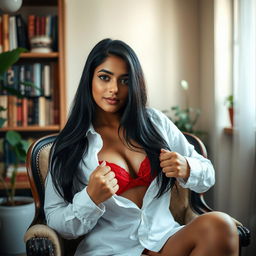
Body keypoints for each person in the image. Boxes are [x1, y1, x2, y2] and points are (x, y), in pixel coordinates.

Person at [44, 38, 239, 256]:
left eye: (125, 80)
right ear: (89, 79)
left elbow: (208, 175)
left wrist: (187, 167)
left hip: (164, 241)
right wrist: (90, 198)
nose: (114, 89)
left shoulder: (154, 122)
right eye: (104, 77)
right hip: (110, 250)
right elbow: (55, 218)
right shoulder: (68, 145)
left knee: (221, 225)